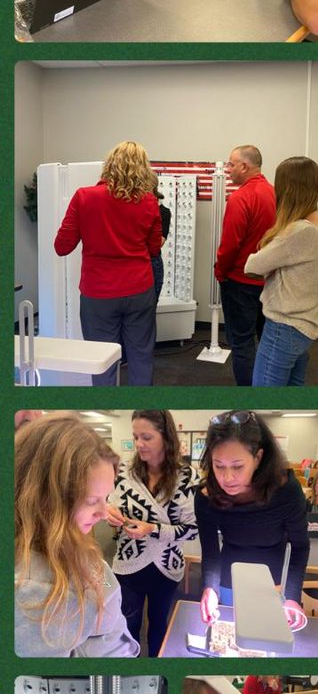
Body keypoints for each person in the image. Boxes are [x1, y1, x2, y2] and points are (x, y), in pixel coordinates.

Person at [15, 414, 138, 658]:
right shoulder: (36, 592)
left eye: (106, 498)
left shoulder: (70, 543)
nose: (104, 513)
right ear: (47, 500)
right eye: (92, 501)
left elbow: (101, 582)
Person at [54, 140, 163, 386]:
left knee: (100, 360)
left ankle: (106, 402)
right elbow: (154, 249)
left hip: (98, 293)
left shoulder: (84, 197)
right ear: (143, 169)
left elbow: (62, 246)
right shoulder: (148, 202)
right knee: (141, 355)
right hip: (139, 289)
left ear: (109, 165)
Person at [196, 411, 309, 631]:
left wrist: (293, 597)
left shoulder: (286, 490)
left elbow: (300, 546)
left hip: (271, 580)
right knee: (230, 634)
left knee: (264, 635)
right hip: (228, 577)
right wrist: (210, 588)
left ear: (258, 458)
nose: (227, 478)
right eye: (218, 465)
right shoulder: (205, 496)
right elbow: (210, 552)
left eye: (238, 466)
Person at [106, 409, 197, 657]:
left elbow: (191, 531)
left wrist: (152, 529)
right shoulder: (124, 472)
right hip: (129, 563)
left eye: (146, 437)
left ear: (166, 437)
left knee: (159, 625)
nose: (138, 444)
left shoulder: (187, 476)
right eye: (135, 437)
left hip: (166, 566)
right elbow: (111, 506)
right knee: (127, 626)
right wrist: (111, 516)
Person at [244, 156, 318, 387]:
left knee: (265, 397)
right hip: (303, 324)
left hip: (285, 325)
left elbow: (252, 266)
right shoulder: (317, 222)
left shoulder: (298, 231)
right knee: (291, 393)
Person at [215, 146, 276, 388]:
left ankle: (247, 397)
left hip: (240, 282)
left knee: (241, 343)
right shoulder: (275, 194)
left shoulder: (240, 198)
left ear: (244, 166)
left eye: (231, 164)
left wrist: (220, 272)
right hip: (269, 280)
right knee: (266, 340)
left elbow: (230, 244)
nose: (228, 170)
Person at [150, 177, 171, 299]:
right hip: (138, 262)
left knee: (150, 306)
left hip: (152, 261)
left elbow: (158, 243)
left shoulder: (164, 212)